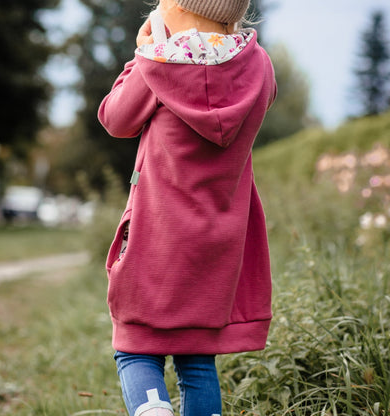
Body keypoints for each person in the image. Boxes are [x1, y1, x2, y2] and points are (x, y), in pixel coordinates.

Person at [98, 0, 277, 415]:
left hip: (155, 239)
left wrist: (142, 53)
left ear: (176, 5)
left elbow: (115, 118)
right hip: (221, 246)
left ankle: (153, 409)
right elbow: (259, 101)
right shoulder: (259, 65)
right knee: (197, 360)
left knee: (135, 348)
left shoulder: (158, 62)